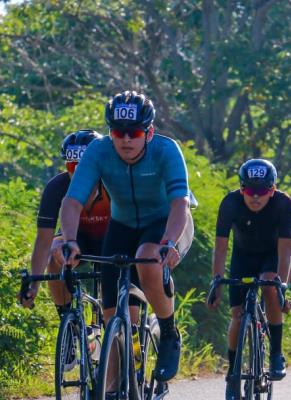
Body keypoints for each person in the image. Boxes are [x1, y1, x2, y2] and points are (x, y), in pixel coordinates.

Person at [60, 91, 195, 389]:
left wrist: (169, 242)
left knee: (148, 257)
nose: (125, 140)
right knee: (114, 321)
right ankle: (126, 380)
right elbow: (72, 202)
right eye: (117, 132)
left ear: (149, 132)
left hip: (167, 223)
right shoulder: (99, 151)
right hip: (122, 226)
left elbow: (180, 204)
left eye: (133, 133)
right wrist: (69, 239)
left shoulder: (166, 150)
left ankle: (170, 332)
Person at [207, 159, 291, 400]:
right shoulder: (231, 203)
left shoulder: (283, 203)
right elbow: (221, 248)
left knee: (269, 284)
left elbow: (286, 250)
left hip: (271, 257)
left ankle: (276, 353)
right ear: (242, 188)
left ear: (272, 190)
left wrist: (282, 286)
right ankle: (232, 374)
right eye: (249, 190)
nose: (255, 197)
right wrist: (216, 282)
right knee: (237, 315)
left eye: (262, 191)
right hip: (242, 258)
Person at [19, 130, 110, 311]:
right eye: (72, 167)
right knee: (56, 253)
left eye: (85, 166)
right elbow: (44, 239)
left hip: (110, 237)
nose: (78, 173)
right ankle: (67, 319)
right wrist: (34, 284)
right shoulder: (56, 187)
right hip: (77, 238)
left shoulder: (113, 182)